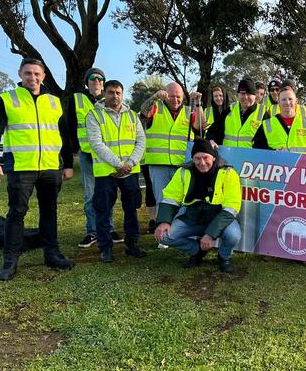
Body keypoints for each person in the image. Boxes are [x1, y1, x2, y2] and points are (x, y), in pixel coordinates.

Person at [0, 57, 75, 281]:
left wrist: (68, 164)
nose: (32, 77)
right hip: (20, 167)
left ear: (43, 76)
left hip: (50, 168)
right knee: (16, 213)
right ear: (20, 75)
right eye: (28, 73)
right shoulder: (6, 100)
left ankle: (52, 254)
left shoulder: (54, 102)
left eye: (37, 74)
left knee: (50, 211)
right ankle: (10, 261)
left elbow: (63, 134)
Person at [154, 140, 242, 273]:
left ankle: (224, 257)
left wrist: (210, 234)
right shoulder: (183, 172)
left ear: (213, 156)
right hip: (192, 217)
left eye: (206, 157)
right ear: (192, 158)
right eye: (197, 158)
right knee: (163, 236)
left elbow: (232, 206)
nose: (202, 162)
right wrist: (164, 221)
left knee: (234, 235)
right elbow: (171, 197)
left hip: (219, 217)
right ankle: (197, 251)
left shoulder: (229, 173)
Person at [86, 80, 146, 263]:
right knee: (103, 210)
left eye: (118, 92)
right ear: (105, 92)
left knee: (131, 210)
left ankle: (132, 244)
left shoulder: (132, 115)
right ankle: (105, 248)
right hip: (107, 172)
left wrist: (130, 162)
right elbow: (97, 144)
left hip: (130, 171)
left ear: (123, 93)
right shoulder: (94, 115)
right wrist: (119, 164)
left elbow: (141, 141)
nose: (115, 96)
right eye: (111, 92)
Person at [68, 67, 123, 248]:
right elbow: (68, 126)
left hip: (107, 156)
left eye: (100, 79)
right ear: (87, 81)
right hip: (87, 155)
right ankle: (92, 231)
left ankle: (109, 229)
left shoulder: (111, 99)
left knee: (108, 194)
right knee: (91, 195)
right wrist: (73, 149)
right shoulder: (77, 99)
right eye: (93, 78)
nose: (97, 82)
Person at [140, 82, 202, 212]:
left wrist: (198, 103)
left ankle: (178, 231)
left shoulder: (188, 111)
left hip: (182, 165)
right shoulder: (157, 107)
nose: (175, 99)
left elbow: (201, 126)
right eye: (172, 96)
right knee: (162, 202)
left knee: (183, 201)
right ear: (165, 95)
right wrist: (154, 97)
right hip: (159, 164)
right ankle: (163, 231)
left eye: (178, 96)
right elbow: (144, 112)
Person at [253, 83, 306, 154]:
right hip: (276, 164)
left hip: (301, 165)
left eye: (290, 99)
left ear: (296, 101)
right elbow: (256, 149)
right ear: (278, 102)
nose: (287, 102)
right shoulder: (266, 124)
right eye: (283, 99)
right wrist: (275, 152)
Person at [206, 78, 267, 148]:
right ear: (238, 94)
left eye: (249, 93)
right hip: (228, 157)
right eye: (242, 93)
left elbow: (269, 139)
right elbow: (213, 130)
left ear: (255, 95)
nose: (245, 97)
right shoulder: (230, 110)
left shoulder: (263, 113)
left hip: (251, 158)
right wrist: (211, 140)